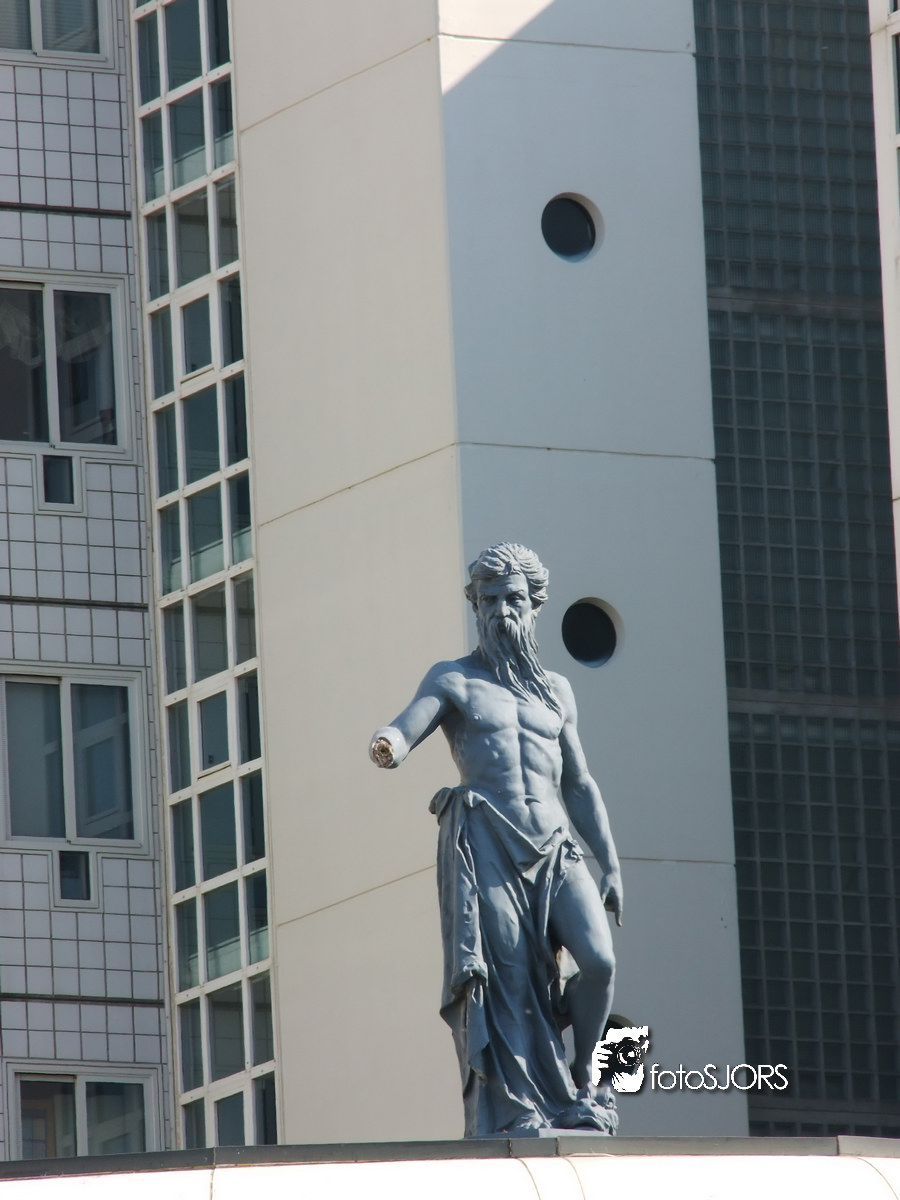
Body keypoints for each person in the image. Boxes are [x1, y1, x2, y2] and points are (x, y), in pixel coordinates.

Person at [370, 543, 623, 1136]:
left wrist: (610, 863)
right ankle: (518, 1107)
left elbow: (578, 782)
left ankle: (584, 1078)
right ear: (475, 606)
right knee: (505, 975)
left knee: (599, 961)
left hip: (555, 844)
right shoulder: (454, 678)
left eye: (513, 599)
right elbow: (409, 723)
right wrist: (389, 743)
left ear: (535, 606)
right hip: (490, 841)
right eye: (489, 601)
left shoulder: (556, 690)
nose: (502, 611)